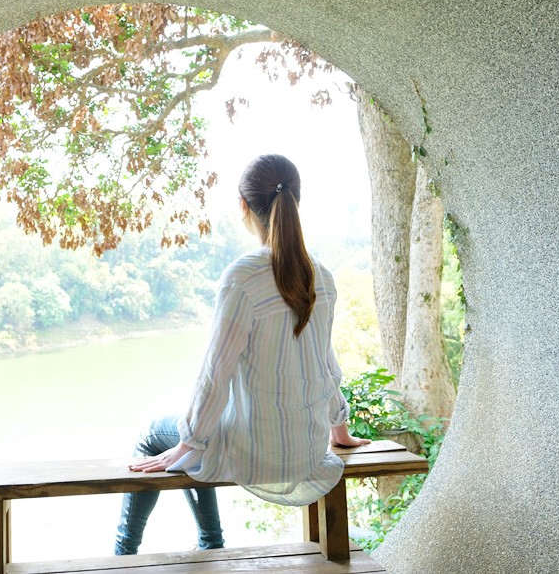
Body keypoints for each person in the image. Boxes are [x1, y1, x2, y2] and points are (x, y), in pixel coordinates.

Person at [113, 154, 370, 556]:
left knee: (153, 434)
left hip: (254, 453)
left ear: (243, 206)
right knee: (193, 436)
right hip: (306, 451)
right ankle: (207, 540)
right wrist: (340, 431)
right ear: (296, 203)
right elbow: (325, 365)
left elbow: (216, 373)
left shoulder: (243, 276)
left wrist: (189, 442)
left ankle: (127, 553)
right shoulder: (323, 276)